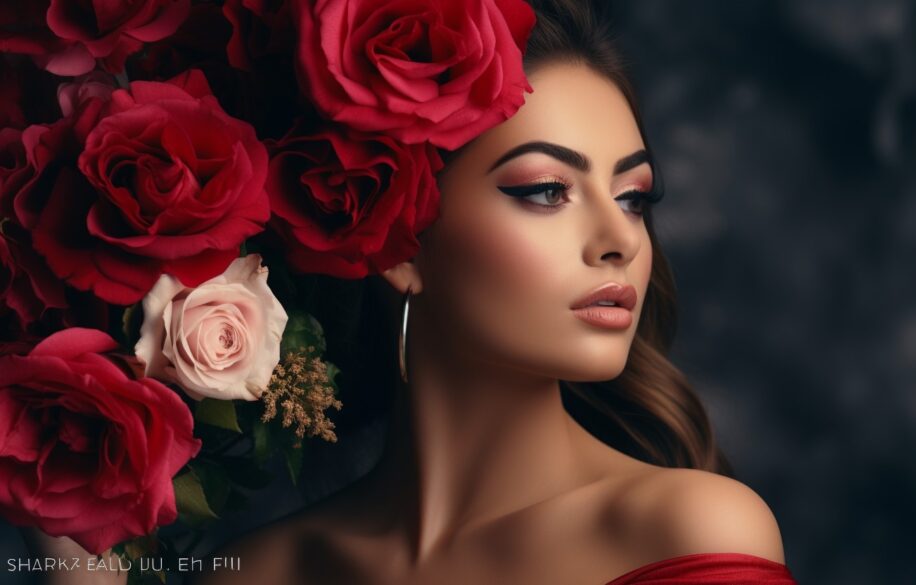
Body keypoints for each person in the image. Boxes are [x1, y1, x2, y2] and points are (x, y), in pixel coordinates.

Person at [22, 1, 798, 583]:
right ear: (395, 243)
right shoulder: (265, 568)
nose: (621, 238)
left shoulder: (689, 530)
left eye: (633, 196)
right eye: (544, 190)